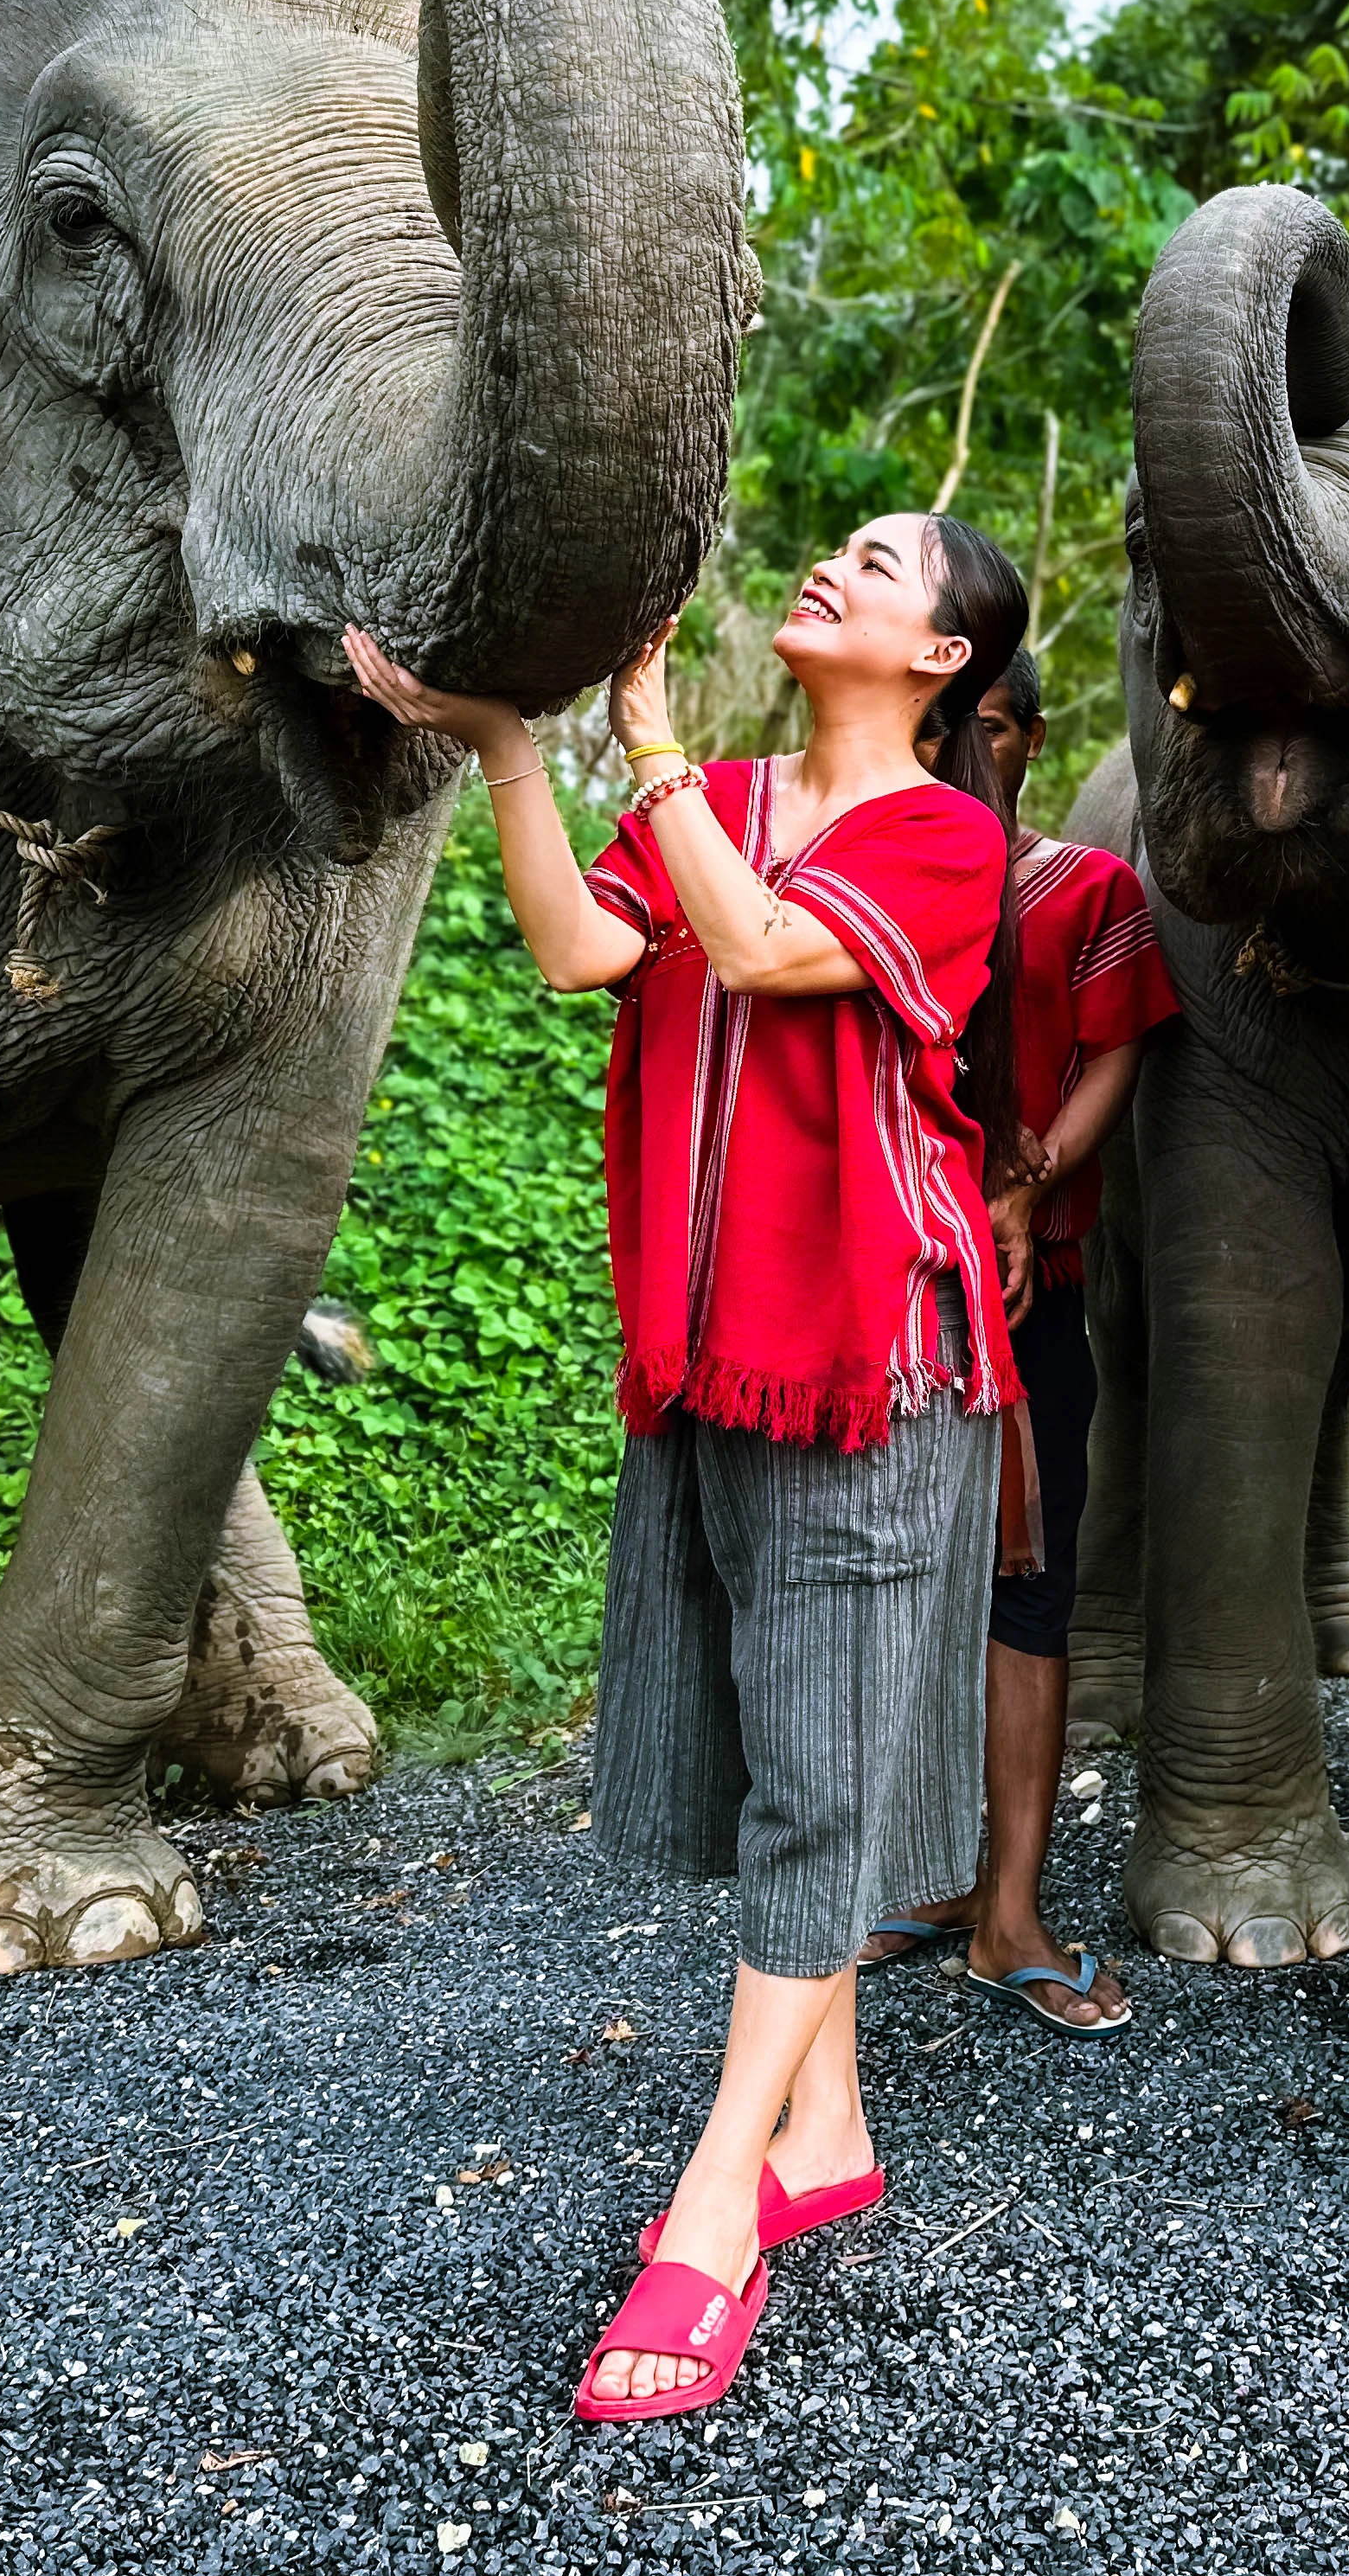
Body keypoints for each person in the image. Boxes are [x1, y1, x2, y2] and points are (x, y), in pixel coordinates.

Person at [345, 509, 1029, 2425]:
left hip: (868, 1363)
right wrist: (500, 744)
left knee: (820, 1779)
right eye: (845, 548)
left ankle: (716, 2203)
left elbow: (749, 946)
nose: (840, 568)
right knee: (771, 1748)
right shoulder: (720, 792)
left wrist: (641, 737)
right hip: (714, 1351)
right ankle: (828, 2133)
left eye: (888, 567)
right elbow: (585, 949)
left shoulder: (940, 842)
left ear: (946, 658)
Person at [860, 650, 1177, 2033]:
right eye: (936, 731)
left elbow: (1116, 1053)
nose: (958, 755)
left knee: (1023, 1590)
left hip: (1029, 1285)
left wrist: (1031, 1184)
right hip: (878, 1290)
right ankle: (923, 1875)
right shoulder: (859, 885)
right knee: (886, 1588)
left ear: (1033, 741)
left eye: (984, 731)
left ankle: (1012, 1911)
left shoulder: (1082, 890)